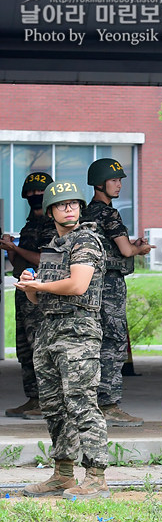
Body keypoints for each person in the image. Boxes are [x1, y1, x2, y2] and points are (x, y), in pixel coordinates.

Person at [16, 180, 110, 499]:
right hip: (49, 331)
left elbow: (78, 285)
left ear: (80, 208)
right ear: (51, 211)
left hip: (79, 331)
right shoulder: (53, 246)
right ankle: (63, 474)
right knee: (54, 405)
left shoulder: (86, 239)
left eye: (73, 204)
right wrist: (30, 285)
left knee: (81, 402)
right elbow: (38, 300)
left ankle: (96, 477)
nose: (69, 209)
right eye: (61, 204)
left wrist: (40, 287)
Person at [82, 158, 152, 427]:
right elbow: (124, 251)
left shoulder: (86, 214)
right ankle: (108, 404)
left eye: (120, 179)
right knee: (113, 345)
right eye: (114, 180)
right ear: (99, 184)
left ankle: (90, 403)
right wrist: (140, 249)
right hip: (110, 288)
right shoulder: (109, 213)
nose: (119, 184)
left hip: (88, 286)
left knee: (93, 343)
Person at [2, 172, 55, 418]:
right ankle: (33, 400)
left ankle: (48, 401)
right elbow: (19, 263)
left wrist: (16, 247)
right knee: (24, 350)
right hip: (23, 293)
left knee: (41, 349)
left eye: (40, 192)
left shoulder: (51, 224)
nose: (35, 196)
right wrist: (10, 248)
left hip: (41, 295)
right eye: (31, 192)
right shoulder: (29, 225)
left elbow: (44, 260)